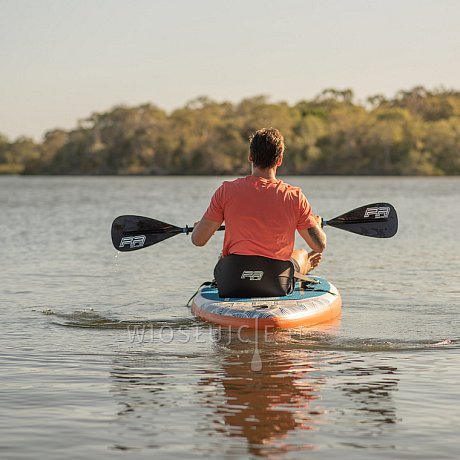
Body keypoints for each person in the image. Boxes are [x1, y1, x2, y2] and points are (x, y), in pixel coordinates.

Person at [191, 127, 327, 296]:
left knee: (224, 256)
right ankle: (305, 266)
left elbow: (198, 240)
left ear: (250, 156)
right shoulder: (294, 196)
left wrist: (201, 229)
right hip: (275, 282)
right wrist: (316, 224)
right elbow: (319, 245)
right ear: (279, 160)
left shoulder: (226, 191)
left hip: (232, 280)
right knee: (301, 253)